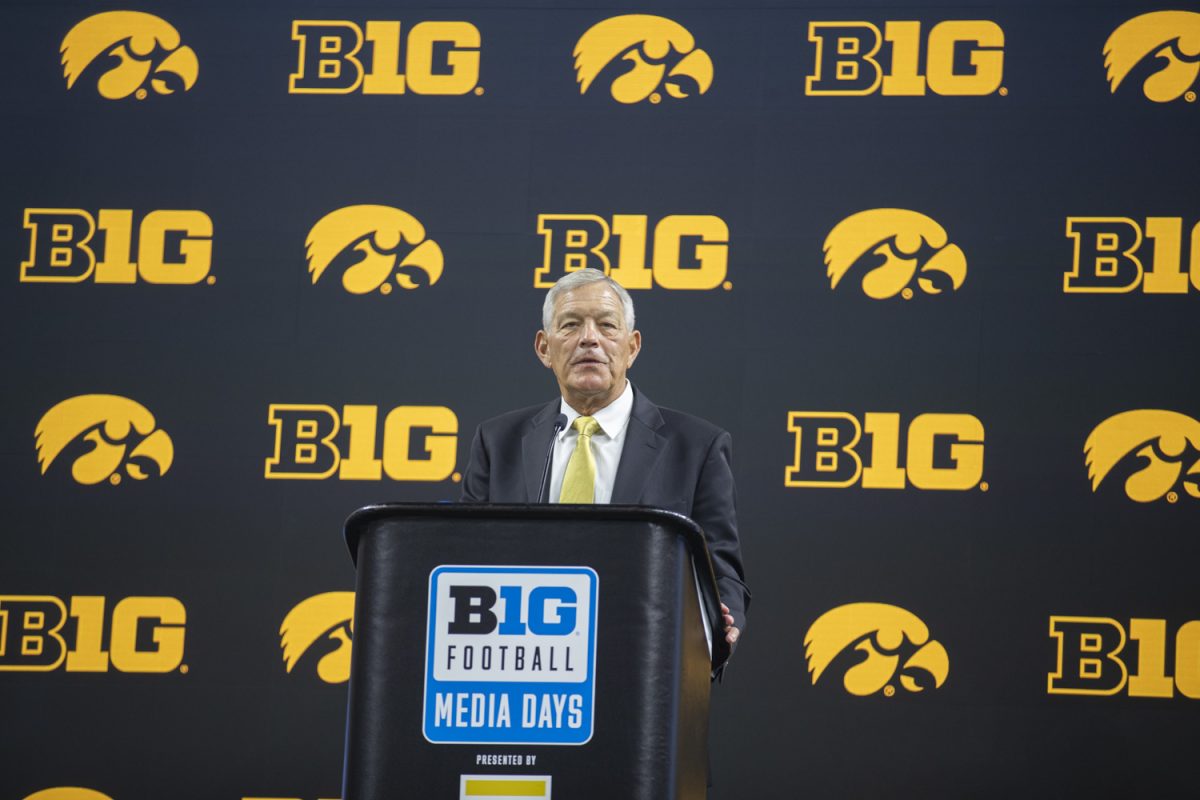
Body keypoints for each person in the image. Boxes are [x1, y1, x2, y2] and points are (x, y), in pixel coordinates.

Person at [460, 268, 749, 651]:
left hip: (638, 654)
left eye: (607, 326)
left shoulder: (696, 446)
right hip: (518, 658)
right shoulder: (498, 443)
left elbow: (720, 569)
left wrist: (721, 614)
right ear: (544, 348)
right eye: (571, 325)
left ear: (632, 347)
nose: (589, 339)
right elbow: (461, 555)